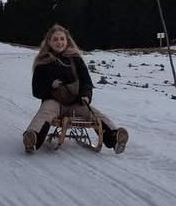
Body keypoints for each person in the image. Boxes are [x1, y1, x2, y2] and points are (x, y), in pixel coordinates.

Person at [23, 24, 129, 154]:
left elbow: (86, 82)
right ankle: (32, 138)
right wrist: (51, 85)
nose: (59, 42)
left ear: (67, 41)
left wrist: (86, 95)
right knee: (45, 113)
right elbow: (36, 90)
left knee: (94, 114)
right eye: (55, 39)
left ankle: (115, 137)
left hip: (75, 101)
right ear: (49, 42)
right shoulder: (42, 62)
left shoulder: (75, 59)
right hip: (53, 101)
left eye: (62, 39)